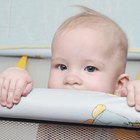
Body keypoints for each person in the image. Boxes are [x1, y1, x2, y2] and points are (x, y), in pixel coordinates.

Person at [0, 6, 140, 111]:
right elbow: (17, 89)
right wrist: (15, 79)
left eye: (90, 68)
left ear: (119, 84)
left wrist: (134, 92)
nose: (70, 78)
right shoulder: (48, 103)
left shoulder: (119, 109)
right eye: (62, 66)